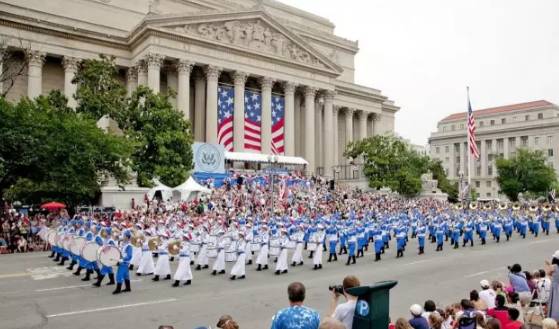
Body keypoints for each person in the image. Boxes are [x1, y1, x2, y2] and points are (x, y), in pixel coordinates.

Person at [113, 229, 133, 294]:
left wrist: (123, 259)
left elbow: (129, 255)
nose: (122, 237)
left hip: (124, 262)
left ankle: (118, 289)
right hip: (122, 261)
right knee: (125, 275)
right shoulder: (123, 244)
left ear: (127, 237)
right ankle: (128, 288)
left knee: (119, 275)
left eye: (123, 236)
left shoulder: (129, 246)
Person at [546, 250, 559, 321]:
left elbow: (548, 273)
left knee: (554, 302)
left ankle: (554, 318)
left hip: (555, 286)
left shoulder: (554, 266)